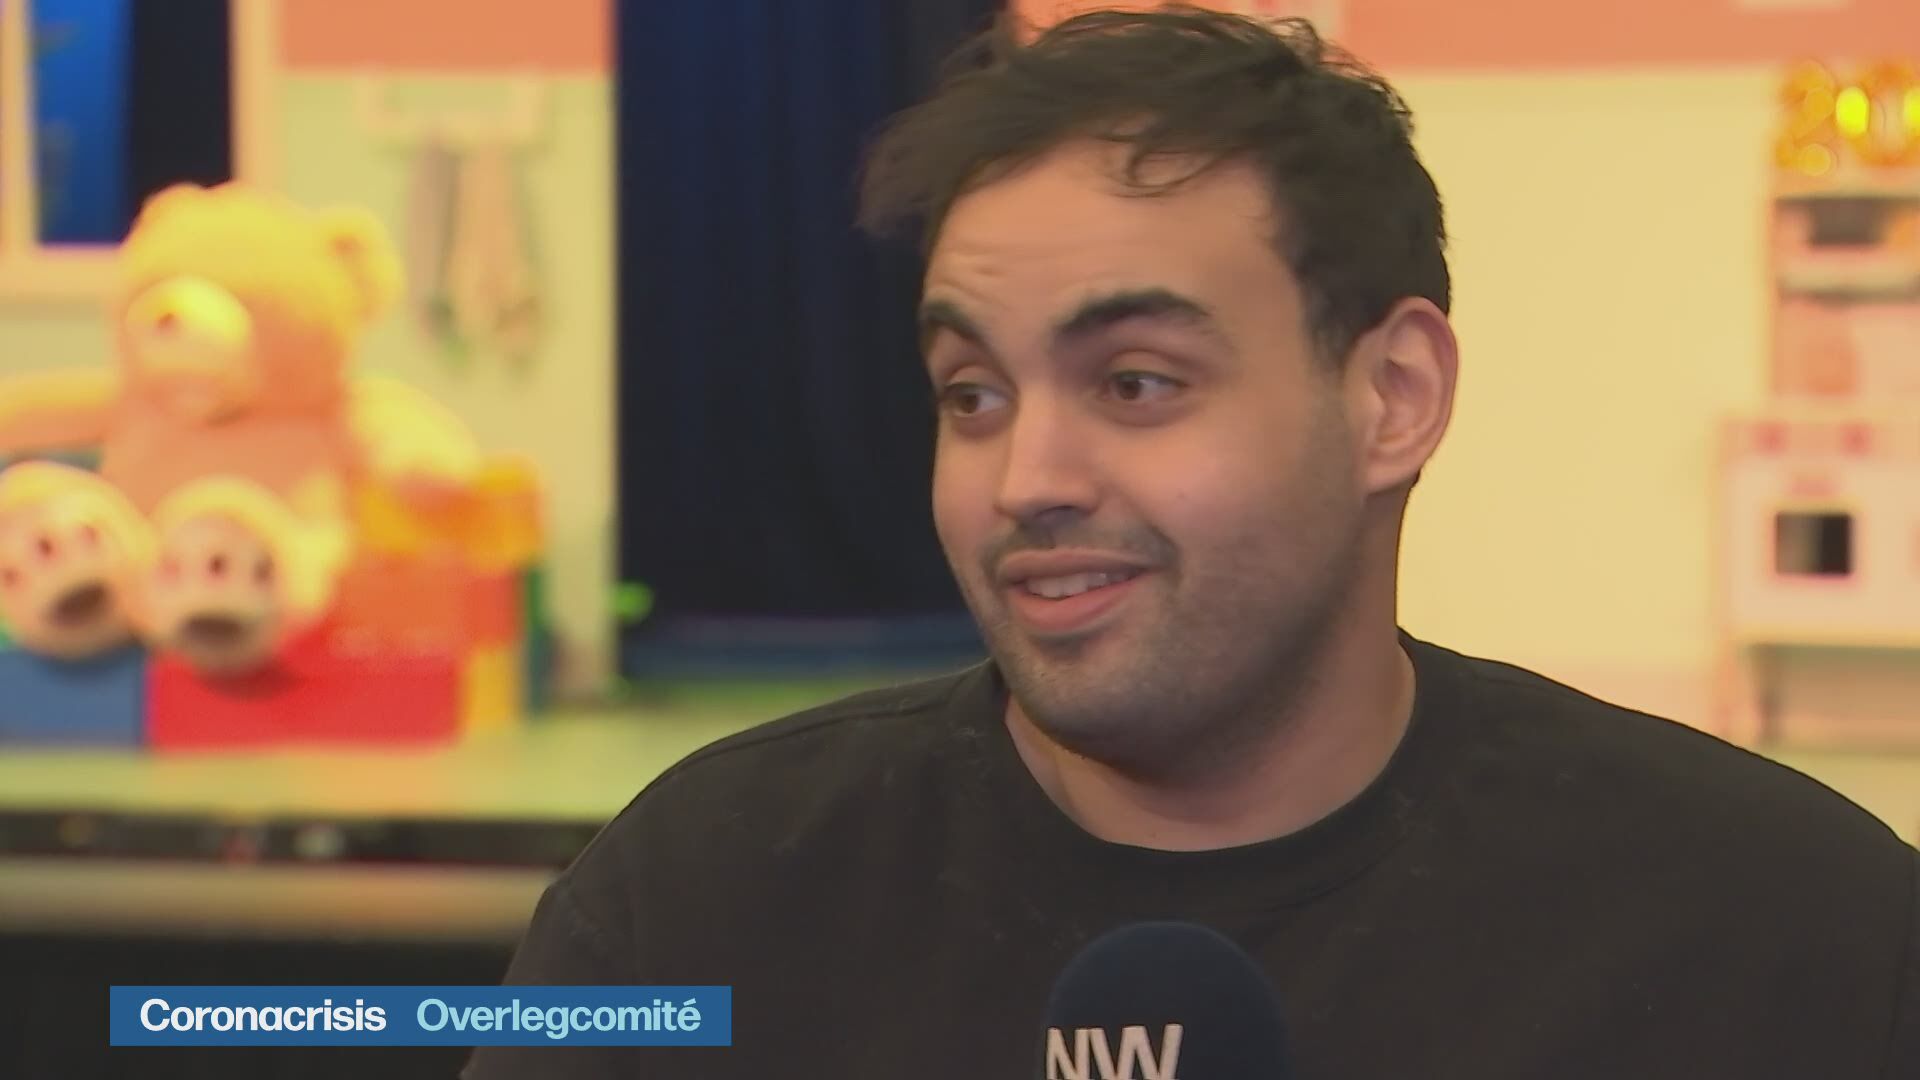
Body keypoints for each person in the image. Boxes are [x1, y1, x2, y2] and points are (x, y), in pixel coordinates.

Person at [466, 8, 1919, 1077]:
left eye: (1136, 383)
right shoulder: (699, 902)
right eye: (973, 394)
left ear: (1392, 397)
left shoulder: (1790, 936)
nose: (1028, 478)